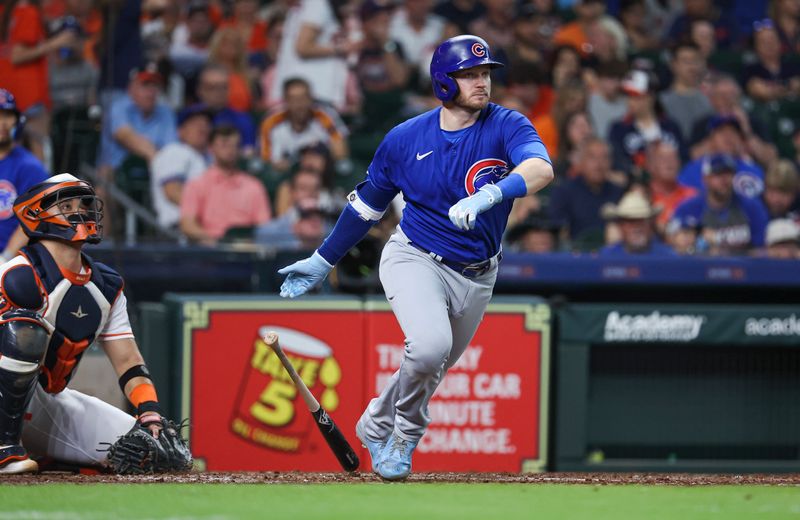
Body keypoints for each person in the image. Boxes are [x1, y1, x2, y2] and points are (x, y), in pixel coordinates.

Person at [276, 35, 553, 480]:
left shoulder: (506, 124)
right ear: (444, 82)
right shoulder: (406, 138)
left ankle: (378, 422)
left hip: (480, 272)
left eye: (485, 73)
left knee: (432, 364)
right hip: (415, 257)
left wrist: (493, 195)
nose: (482, 82)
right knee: (429, 349)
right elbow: (366, 207)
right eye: (469, 75)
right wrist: (322, 260)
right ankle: (404, 436)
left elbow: (541, 169)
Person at [0, 174, 180, 474]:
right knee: (24, 332)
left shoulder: (107, 286)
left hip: (44, 402)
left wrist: (149, 412)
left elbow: (129, 362)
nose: (79, 212)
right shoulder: (14, 274)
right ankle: (5, 449)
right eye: (65, 205)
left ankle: (51, 457)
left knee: (156, 453)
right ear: (35, 214)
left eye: (82, 204)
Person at [180, 125, 271, 245]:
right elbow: (187, 225)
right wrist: (214, 241)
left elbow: (264, 226)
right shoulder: (196, 185)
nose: (230, 150)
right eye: (224, 145)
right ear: (211, 148)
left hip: (247, 250)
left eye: (235, 145)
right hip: (210, 251)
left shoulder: (254, 186)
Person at [0, 89, 49, 263]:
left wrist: (5, 258)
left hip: (15, 261)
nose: (2, 123)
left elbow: (34, 218)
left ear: (17, 121)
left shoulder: (29, 166)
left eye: (7, 116)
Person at [150, 104, 212, 230]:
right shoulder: (175, 151)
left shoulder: (209, 158)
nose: (202, 127)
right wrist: (209, 210)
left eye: (206, 123)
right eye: (195, 123)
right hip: (177, 228)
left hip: (203, 225)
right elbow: (172, 191)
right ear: (180, 131)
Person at [599, 190, 675, 256]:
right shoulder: (607, 257)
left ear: (650, 224)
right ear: (621, 225)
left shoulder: (667, 257)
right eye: (631, 221)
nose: (636, 227)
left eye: (641, 221)